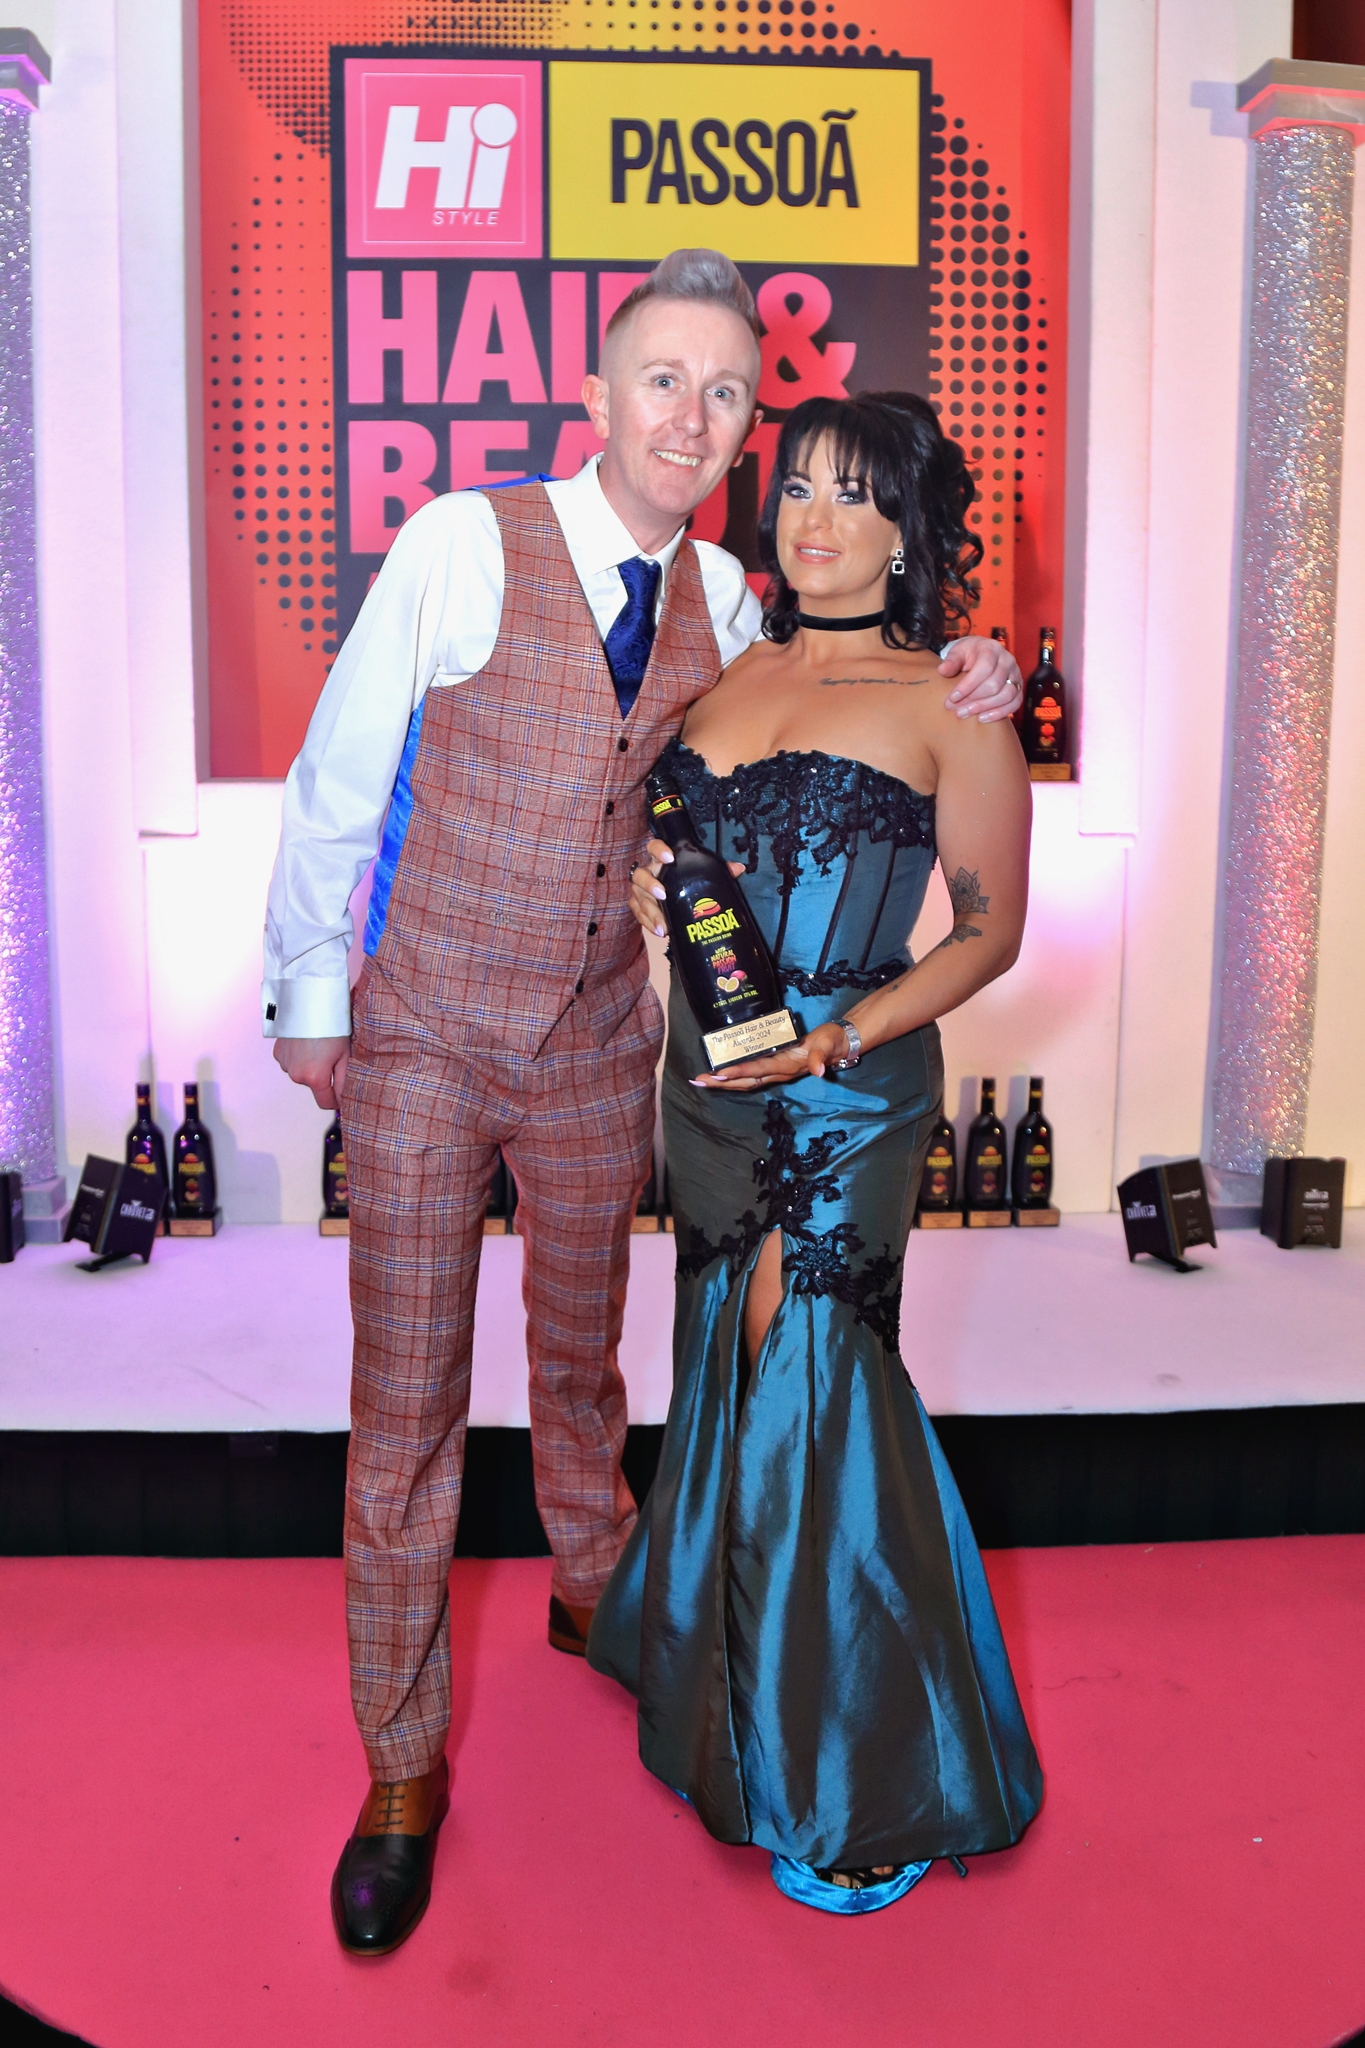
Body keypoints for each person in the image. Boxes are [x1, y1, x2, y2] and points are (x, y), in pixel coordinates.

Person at [262, 250, 1023, 1956]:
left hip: (615, 1047)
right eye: (663, 379)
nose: (692, 415)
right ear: (596, 396)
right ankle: (401, 1767)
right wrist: (313, 1005)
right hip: (427, 1030)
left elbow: (855, 695)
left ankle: (603, 1595)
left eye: (726, 392)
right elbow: (339, 771)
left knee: (583, 1361)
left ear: (749, 426)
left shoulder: (735, 608)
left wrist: (974, 667)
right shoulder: (464, 542)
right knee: (406, 1404)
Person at [588, 390, 1043, 1914]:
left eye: (852, 494)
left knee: (811, 1368)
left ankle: (857, 1757)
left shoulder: (951, 696)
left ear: (906, 527)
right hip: (710, 1081)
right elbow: (679, 857)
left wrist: (837, 1041)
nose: (814, 519)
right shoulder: (723, 665)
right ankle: (713, 1677)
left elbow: (985, 934)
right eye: (795, 489)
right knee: (725, 1352)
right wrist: (655, 891)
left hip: (848, 1088)